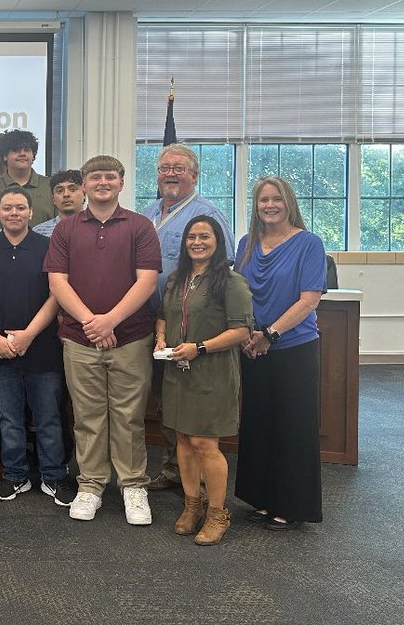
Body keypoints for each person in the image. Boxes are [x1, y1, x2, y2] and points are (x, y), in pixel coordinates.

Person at [44, 155, 161, 525]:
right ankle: (91, 485)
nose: (102, 182)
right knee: (88, 415)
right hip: (79, 340)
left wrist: (110, 320)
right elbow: (57, 282)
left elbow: (147, 280)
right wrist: (91, 323)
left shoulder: (141, 226)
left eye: (110, 176)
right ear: (84, 185)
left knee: (129, 416)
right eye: (95, 177)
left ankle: (132, 486)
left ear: (122, 183)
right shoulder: (66, 230)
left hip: (130, 337)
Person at [0, 187, 72, 505]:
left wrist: (28, 334)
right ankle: (15, 476)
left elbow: (57, 294)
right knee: (8, 417)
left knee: (49, 417)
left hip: (42, 348)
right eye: (8, 208)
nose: (14, 213)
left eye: (20, 208)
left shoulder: (48, 246)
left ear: (30, 212)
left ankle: (54, 475)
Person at [235, 176, 327, 531]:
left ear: (289, 202)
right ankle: (261, 497)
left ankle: (290, 505)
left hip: (293, 346)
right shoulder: (247, 244)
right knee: (259, 423)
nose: (270, 205)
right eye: (263, 200)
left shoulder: (309, 244)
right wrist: (247, 334)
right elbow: (238, 292)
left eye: (276, 199)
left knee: (293, 426)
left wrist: (270, 334)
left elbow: (309, 299)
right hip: (253, 346)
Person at [142, 144, 235, 494]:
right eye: (165, 167)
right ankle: (174, 468)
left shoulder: (206, 214)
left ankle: (196, 476)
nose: (170, 173)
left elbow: (223, 268)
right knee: (166, 397)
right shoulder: (148, 212)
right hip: (152, 321)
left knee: (192, 400)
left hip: (190, 322)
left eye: (178, 168)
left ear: (194, 175)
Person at [154, 216, 253, 544]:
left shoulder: (231, 281)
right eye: (191, 237)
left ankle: (217, 513)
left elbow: (241, 331)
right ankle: (192, 505)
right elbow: (163, 316)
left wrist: (200, 348)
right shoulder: (176, 279)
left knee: (205, 443)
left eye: (204, 236)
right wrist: (160, 338)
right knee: (182, 439)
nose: (197, 242)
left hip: (212, 371)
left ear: (217, 241)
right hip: (177, 370)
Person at [0, 130, 55, 228]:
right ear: (4, 156)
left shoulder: (50, 186)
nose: (22, 154)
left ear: (33, 155)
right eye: (16, 150)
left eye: (27, 150)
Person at [33, 169, 85, 238]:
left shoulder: (98, 228)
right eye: (59, 191)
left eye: (72, 189)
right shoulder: (39, 232)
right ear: (53, 199)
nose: (66, 194)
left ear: (84, 194)